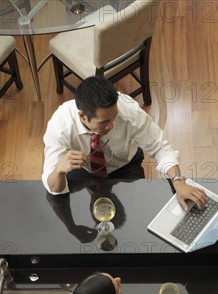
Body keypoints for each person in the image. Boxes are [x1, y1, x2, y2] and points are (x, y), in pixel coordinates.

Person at [42, 76, 207, 210]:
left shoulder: (129, 110)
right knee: (63, 201)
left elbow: (161, 148)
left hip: (125, 167)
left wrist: (179, 181)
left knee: (136, 208)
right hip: (84, 170)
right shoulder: (60, 126)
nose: (112, 125)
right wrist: (59, 171)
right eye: (104, 122)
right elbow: (53, 187)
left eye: (114, 117)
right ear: (82, 116)